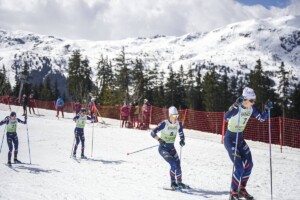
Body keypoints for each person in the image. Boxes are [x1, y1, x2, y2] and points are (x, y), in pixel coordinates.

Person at [224, 87, 273, 200]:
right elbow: (226, 118)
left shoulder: (251, 109)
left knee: (249, 164)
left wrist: (267, 110)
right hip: (230, 139)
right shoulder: (236, 108)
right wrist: (235, 106)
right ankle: (233, 192)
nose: (253, 103)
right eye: (251, 100)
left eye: (254, 100)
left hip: (240, 139)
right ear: (244, 99)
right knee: (239, 166)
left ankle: (242, 189)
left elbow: (261, 119)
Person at [150, 106, 186, 190]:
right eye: (174, 116)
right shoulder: (164, 123)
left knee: (178, 165)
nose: (175, 118)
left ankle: (179, 182)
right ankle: (173, 182)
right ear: (170, 115)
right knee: (173, 164)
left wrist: (182, 140)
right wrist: (159, 139)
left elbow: (181, 133)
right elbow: (152, 132)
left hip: (172, 148)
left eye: (177, 116)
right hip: (163, 149)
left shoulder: (178, 124)